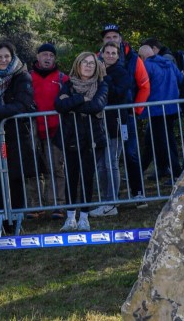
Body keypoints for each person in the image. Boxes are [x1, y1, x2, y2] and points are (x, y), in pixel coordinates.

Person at [0, 42, 36, 232]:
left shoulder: (22, 76)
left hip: (17, 134)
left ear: (12, 58)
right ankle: (1, 220)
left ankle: (16, 220)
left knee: (16, 178)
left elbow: (23, 104)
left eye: (6, 57)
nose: (3, 60)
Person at [55, 52, 109, 232]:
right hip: (71, 137)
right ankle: (70, 218)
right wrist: (80, 99)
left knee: (87, 178)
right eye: (84, 63)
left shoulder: (101, 85)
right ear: (78, 65)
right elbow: (59, 106)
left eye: (91, 63)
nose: (88, 66)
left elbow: (96, 106)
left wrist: (71, 104)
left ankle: (84, 217)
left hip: (92, 138)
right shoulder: (68, 85)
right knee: (71, 178)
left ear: (96, 67)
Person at [101, 24, 150, 201]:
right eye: (108, 37)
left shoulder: (133, 59)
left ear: (120, 39)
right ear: (103, 42)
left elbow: (144, 85)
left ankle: (137, 192)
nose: (112, 40)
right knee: (107, 158)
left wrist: (136, 110)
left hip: (127, 114)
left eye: (115, 36)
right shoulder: (98, 60)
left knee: (131, 153)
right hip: (105, 116)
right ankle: (109, 197)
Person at [91, 41, 132, 218]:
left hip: (115, 123)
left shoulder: (122, 73)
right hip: (99, 124)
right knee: (101, 165)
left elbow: (117, 93)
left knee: (111, 163)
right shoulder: (95, 73)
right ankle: (104, 200)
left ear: (118, 55)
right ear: (101, 54)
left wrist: (105, 76)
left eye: (113, 53)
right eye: (107, 52)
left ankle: (112, 202)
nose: (109, 55)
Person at [29, 42, 69, 219]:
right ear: (38, 57)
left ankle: (57, 205)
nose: (48, 58)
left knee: (56, 167)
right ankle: (35, 205)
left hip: (55, 129)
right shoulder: (27, 78)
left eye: (51, 55)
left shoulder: (62, 79)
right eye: (44, 55)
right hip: (32, 128)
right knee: (33, 168)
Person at [138, 44, 184, 185]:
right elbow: (181, 80)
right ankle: (164, 170)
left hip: (156, 110)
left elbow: (143, 86)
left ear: (142, 57)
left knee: (164, 143)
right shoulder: (169, 63)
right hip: (172, 109)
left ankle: (176, 173)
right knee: (164, 141)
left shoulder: (146, 66)